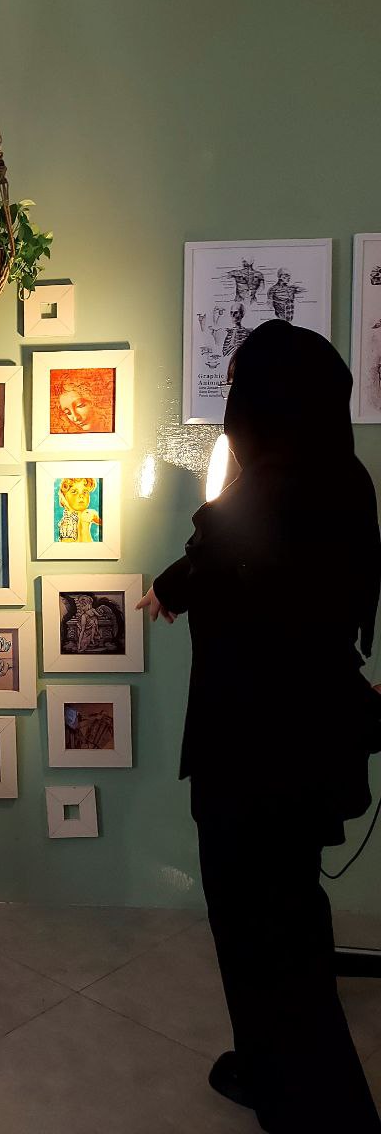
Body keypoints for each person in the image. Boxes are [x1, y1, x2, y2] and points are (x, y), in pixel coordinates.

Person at [138, 320, 381, 1133]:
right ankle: (265, 1069)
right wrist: (176, 587)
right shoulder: (340, 479)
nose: (230, 402)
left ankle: (322, 1112)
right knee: (286, 921)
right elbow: (229, 563)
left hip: (255, 758)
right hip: (305, 748)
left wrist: (178, 583)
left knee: (266, 939)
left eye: (239, 383)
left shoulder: (270, 491)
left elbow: (223, 543)